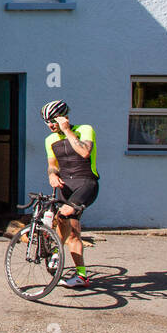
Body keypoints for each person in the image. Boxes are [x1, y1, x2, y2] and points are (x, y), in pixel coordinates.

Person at [41, 100, 98, 287]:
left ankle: (59, 255)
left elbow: (84, 152)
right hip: (66, 187)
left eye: (53, 121)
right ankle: (80, 275)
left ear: (63, 118)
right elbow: (52, 166)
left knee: (64, 213)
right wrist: (52, 176)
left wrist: (66, 131)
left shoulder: (85, 129)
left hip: (85, 183)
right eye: (46, 122)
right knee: (71, 232)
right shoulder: (49, 140)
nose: (50, 125)